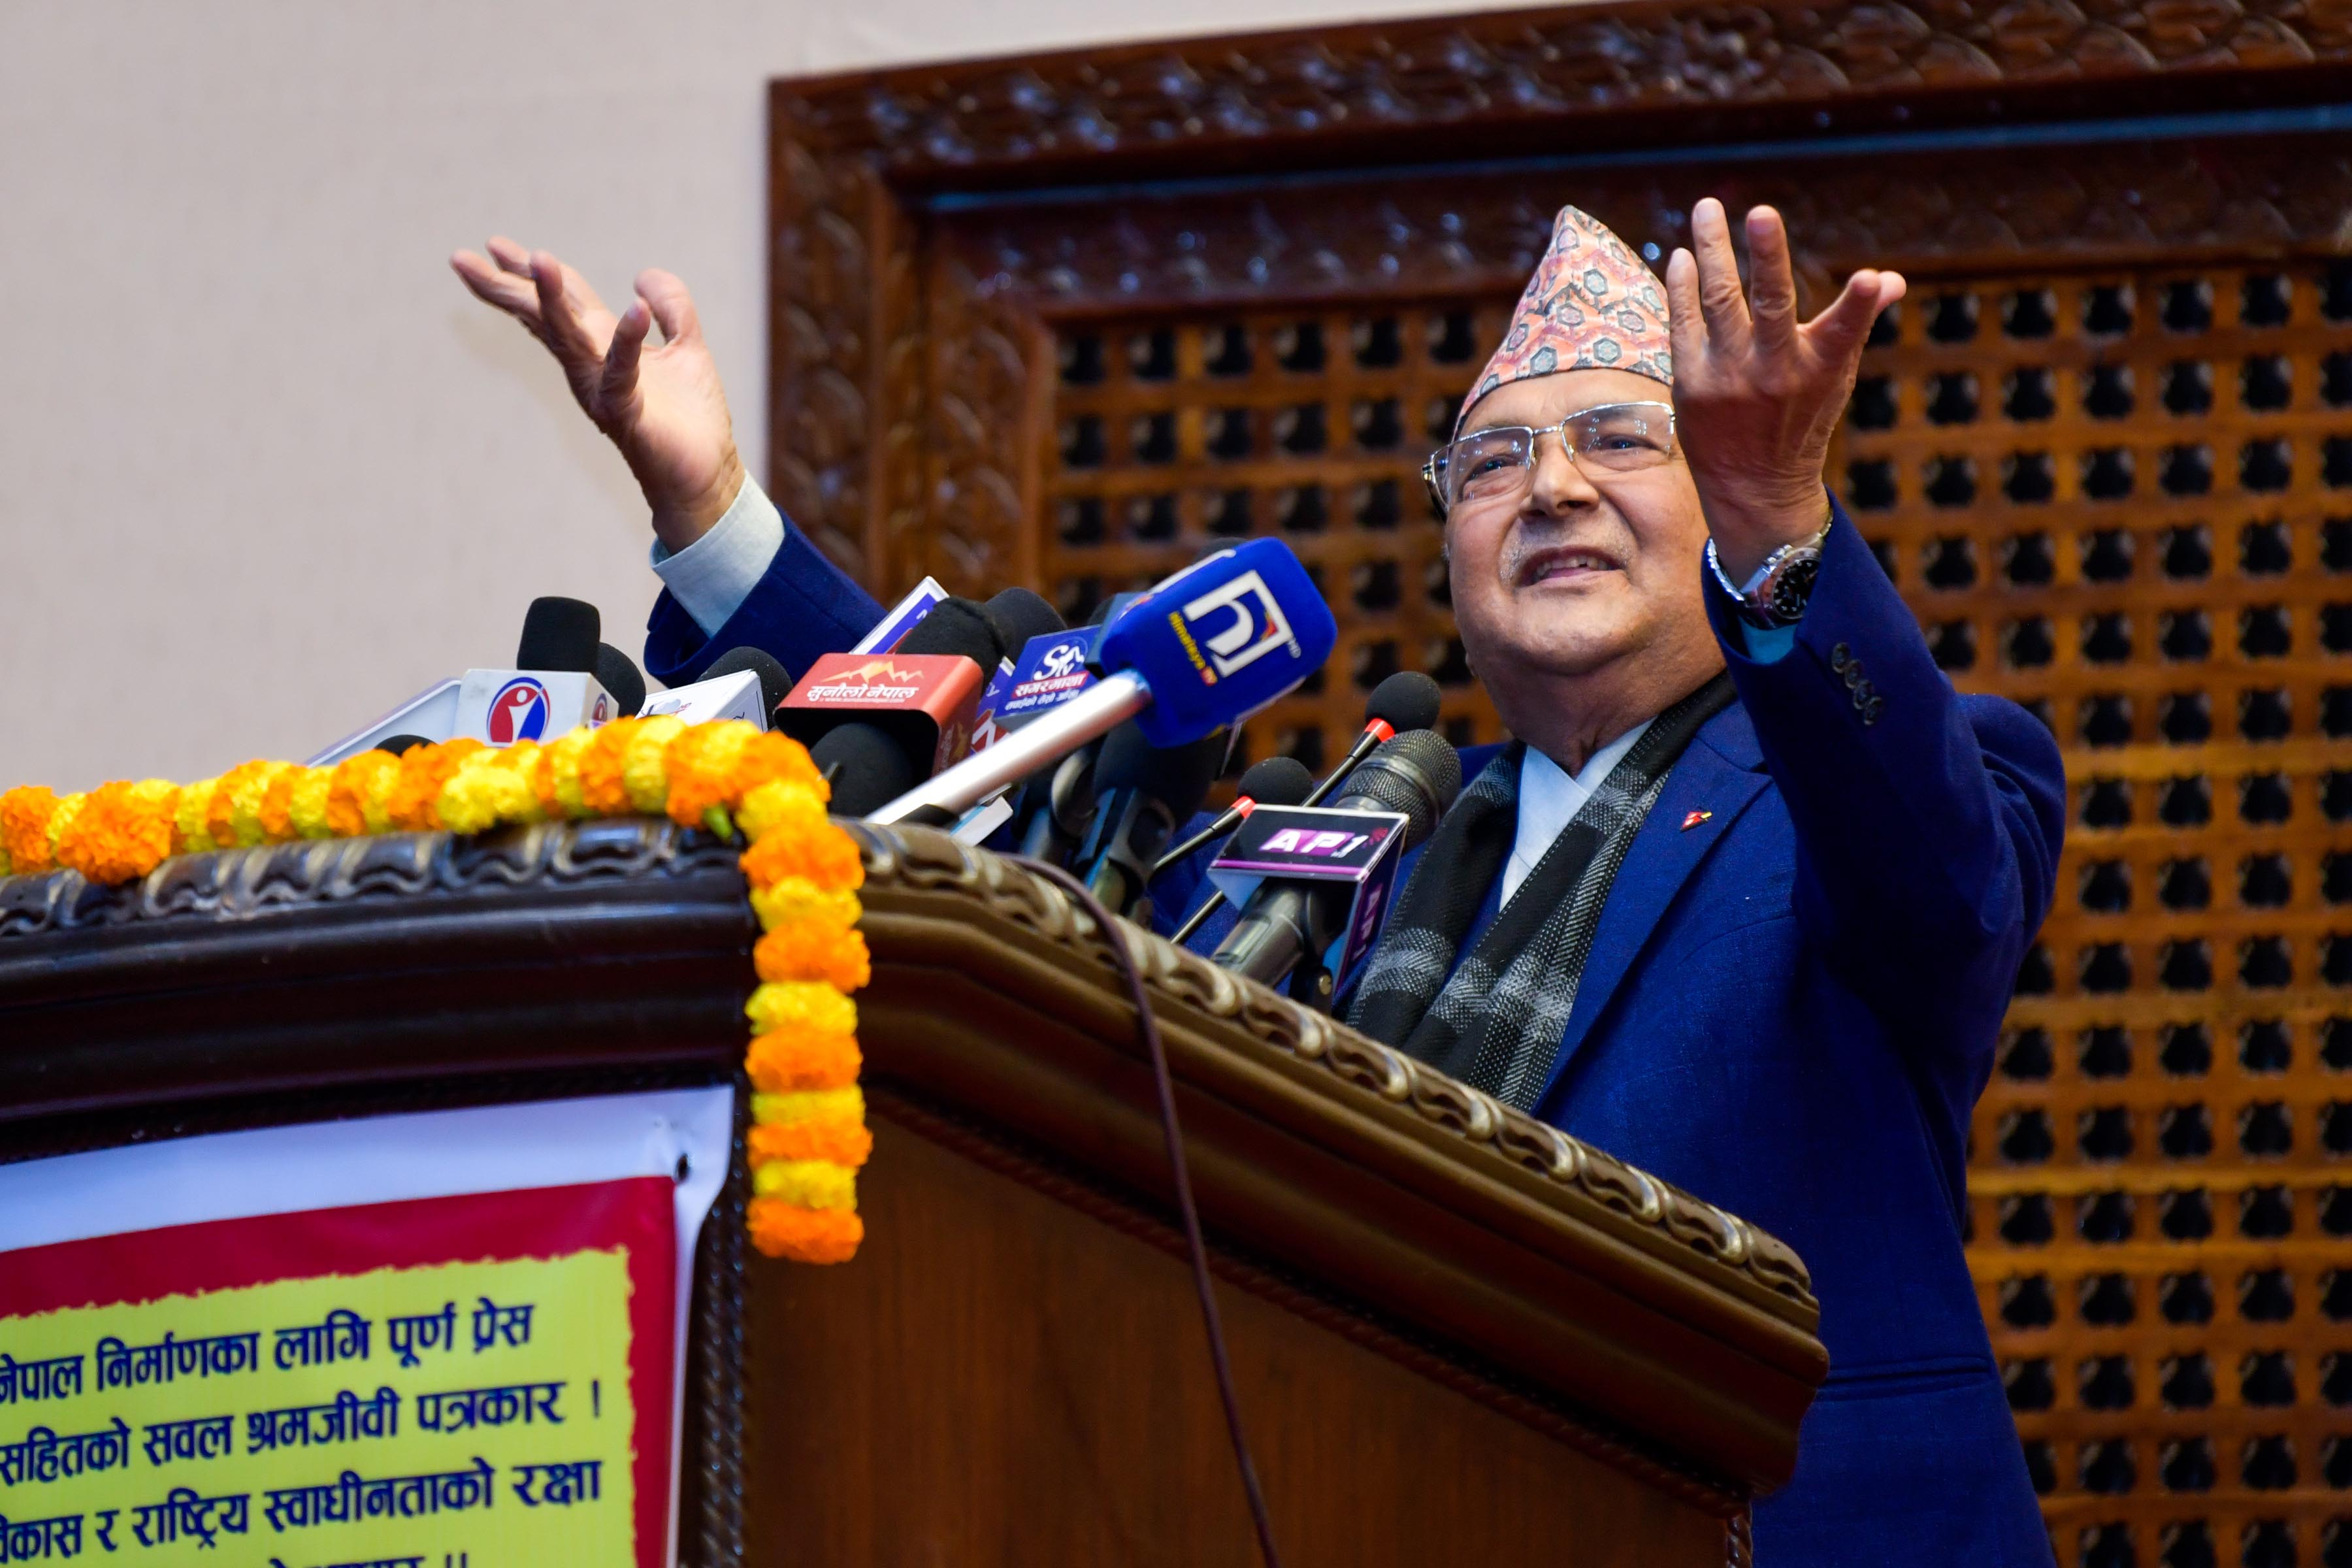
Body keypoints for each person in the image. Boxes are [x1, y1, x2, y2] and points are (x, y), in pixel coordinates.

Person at [455, 201, 2063, 1562]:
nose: (1553, 488)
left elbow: (1928, 867)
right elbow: (998, 803)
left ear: (1722, 487)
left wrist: (1784, 523)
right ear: (1448, 542)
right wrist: (716, 521)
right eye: (1494, 459)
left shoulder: (1893, 795)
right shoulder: (1369, 837)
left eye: (1622, 441)